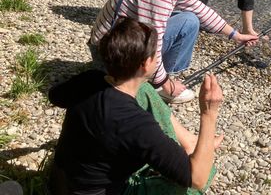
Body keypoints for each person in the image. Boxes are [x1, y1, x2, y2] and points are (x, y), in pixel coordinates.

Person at [49, 18, 224, 195]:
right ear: (146, 63)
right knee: (198, 181)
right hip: (99, 191)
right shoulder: (136, 123)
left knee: (144, 87)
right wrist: (209, 113)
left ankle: (190, 142)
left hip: (59, 182)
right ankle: (191, 149)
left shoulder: (90, 79)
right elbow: (197, 179)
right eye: (156, 53)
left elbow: (55, 96)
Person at [89, 0, 257, 104]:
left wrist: (236, 35)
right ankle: (159, 85)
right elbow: (153, 44)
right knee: (185, 23)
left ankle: (158, 76)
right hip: (109, 59)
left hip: (117, 45)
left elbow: (200, 10)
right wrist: (165, 83)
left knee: (190, 19)